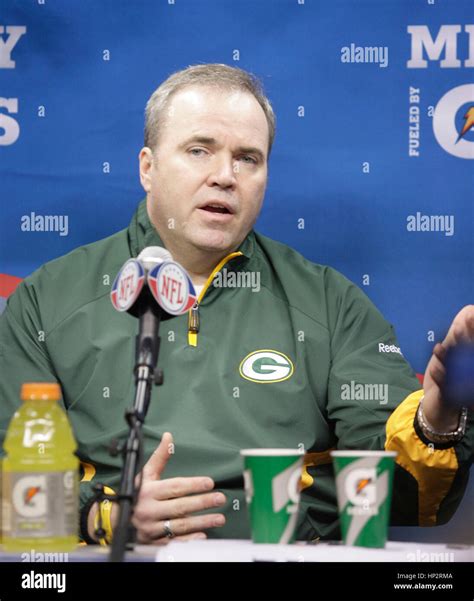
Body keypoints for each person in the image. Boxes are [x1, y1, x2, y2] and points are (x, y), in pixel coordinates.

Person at [0, 64, 472, 546]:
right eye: (199, 150)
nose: (225, 176)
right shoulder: (45, 302)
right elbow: (10, 496)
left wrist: (437, 419)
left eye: (248, 158)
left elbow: (409, 497)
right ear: (147, 167)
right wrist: (104, 516)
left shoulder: (331, 304)